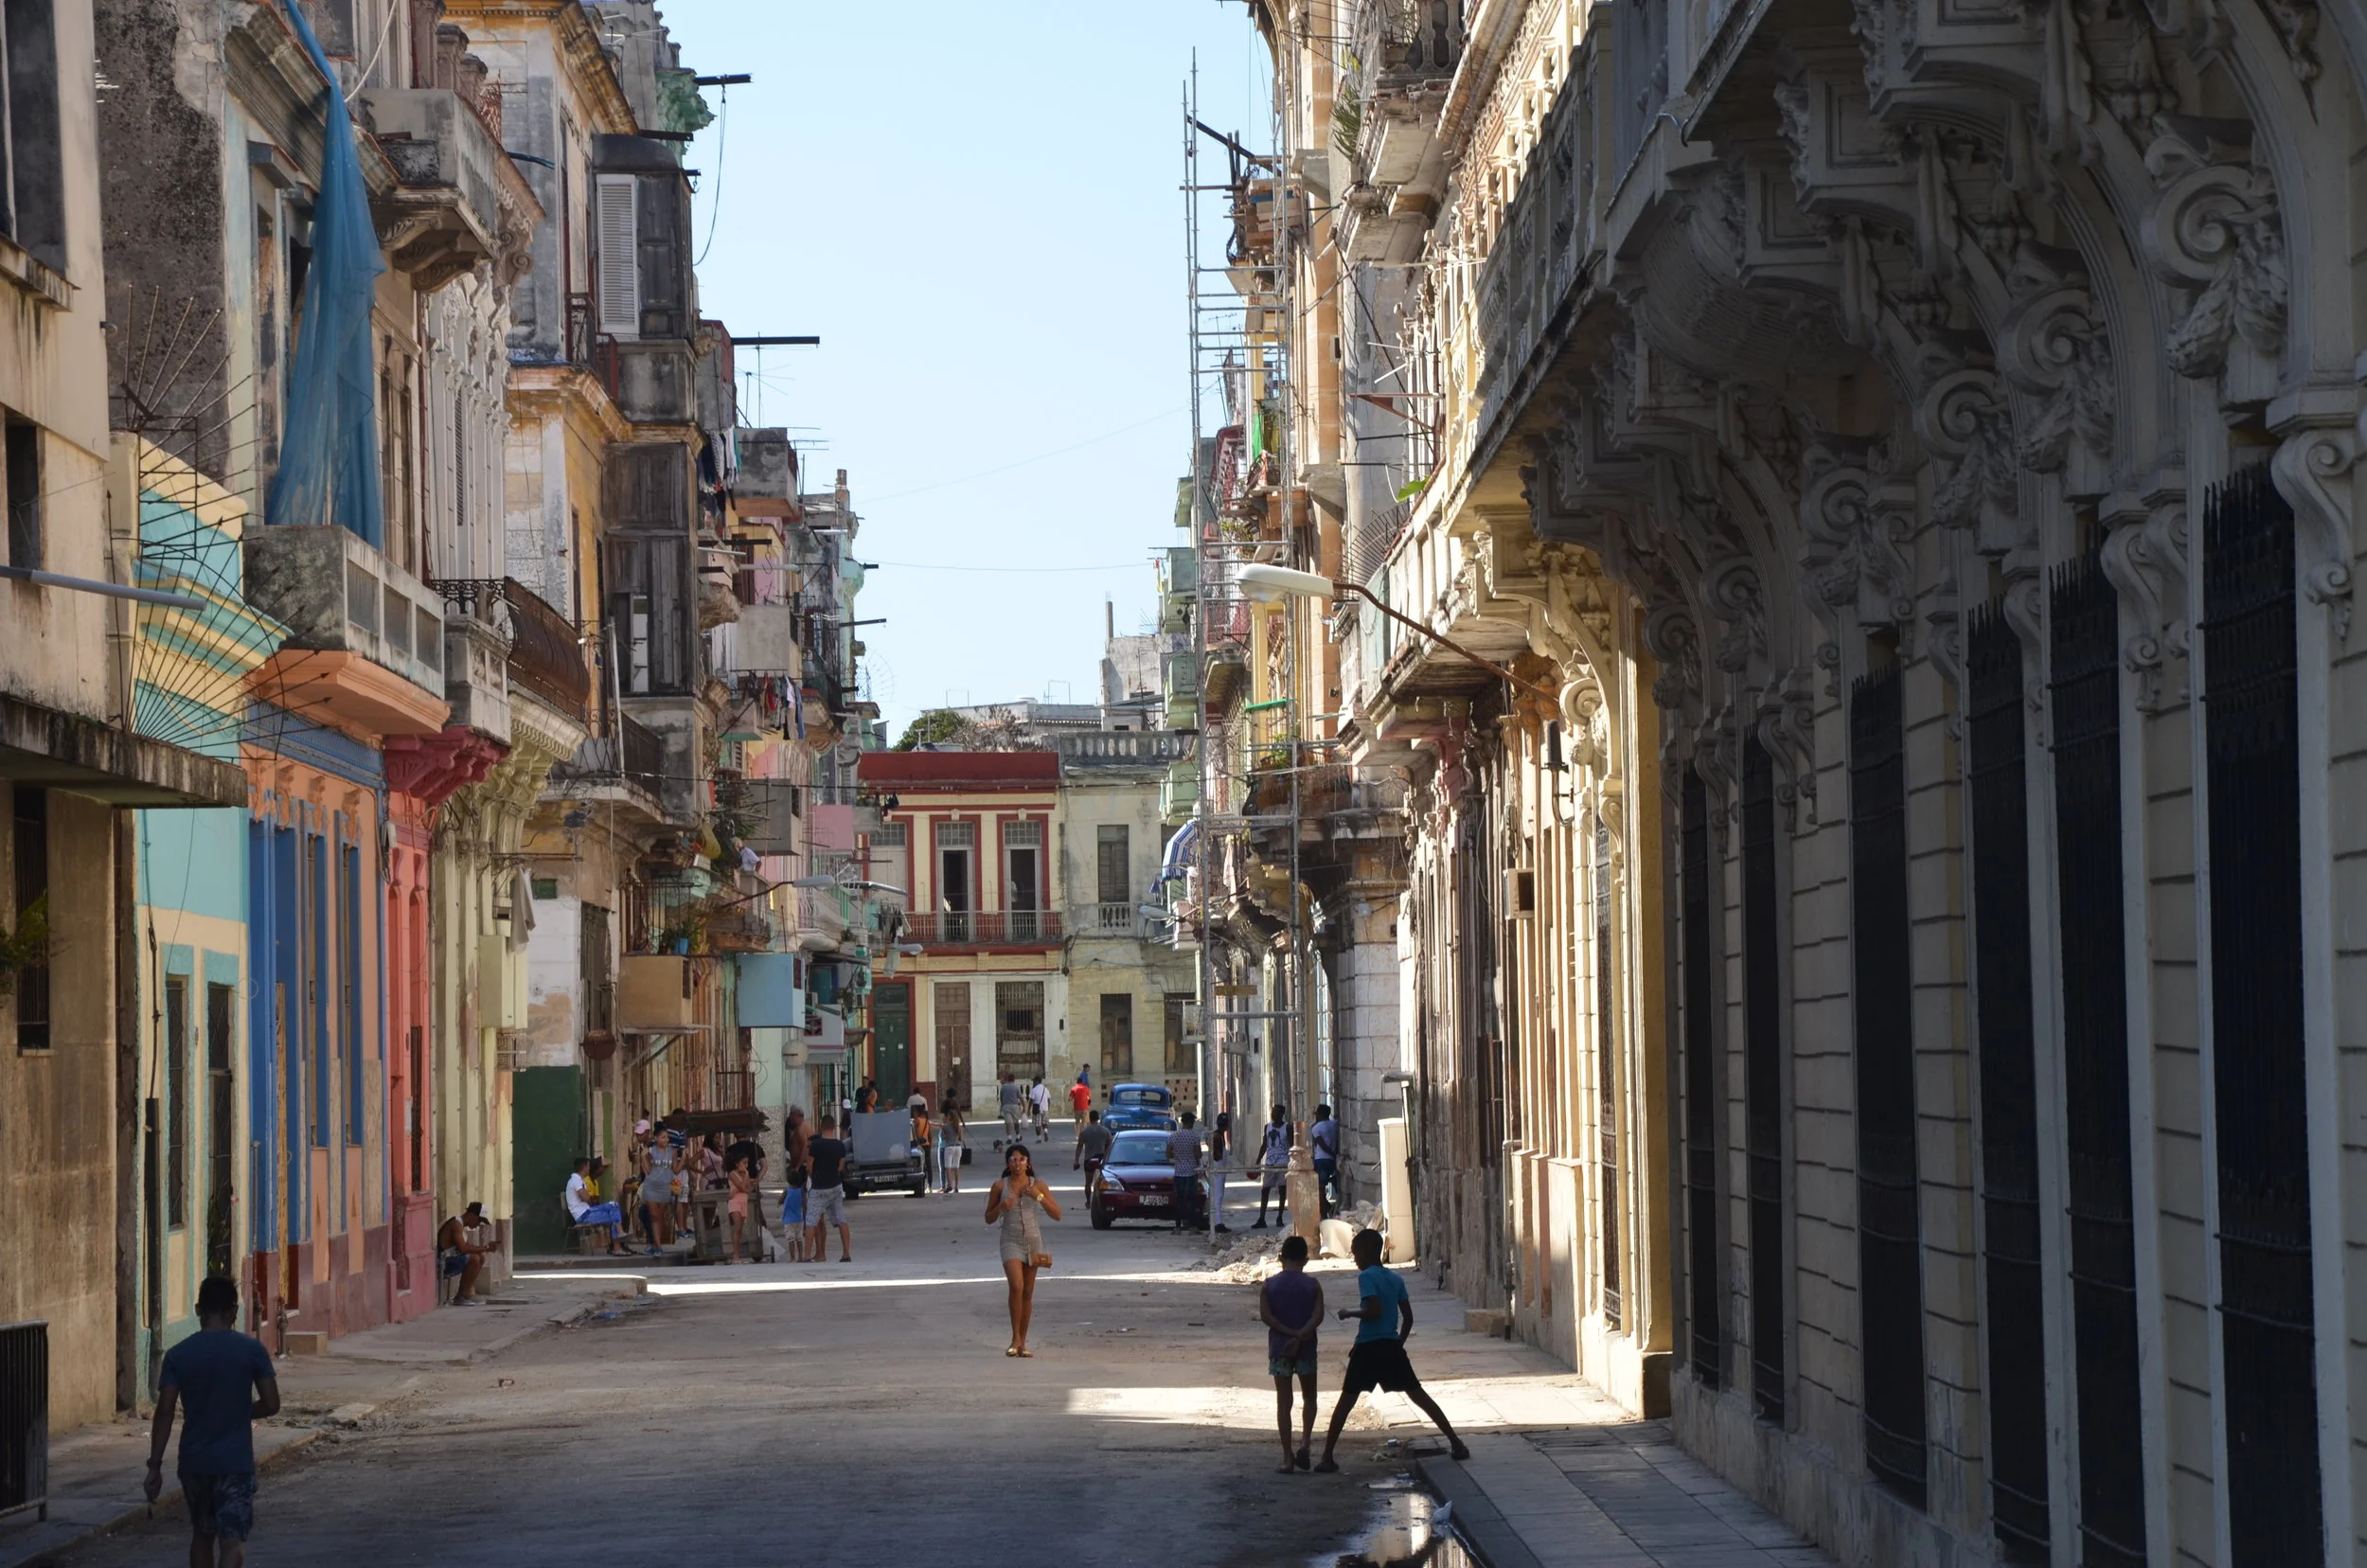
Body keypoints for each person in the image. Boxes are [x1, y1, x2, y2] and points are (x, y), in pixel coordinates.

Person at [145, 1275, 280, 1568]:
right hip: (235, 1464)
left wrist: (154, 1466)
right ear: (233, 1312)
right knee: (233, 1542)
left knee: (202, 1535)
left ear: (198, 1309)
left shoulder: (178, 1355)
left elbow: (165, 1411)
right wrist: (241, 1411)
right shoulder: (251, 1350)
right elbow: (271, 1404)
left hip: (195, 1463)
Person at [1314, 1230, 1469, 1471]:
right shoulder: (1396, 1279)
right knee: (1419, 1396)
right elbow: (1407, 1317)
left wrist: (1350, 1313)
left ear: (1366, 1253)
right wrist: (1399, 1343)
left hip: (1368, 1348)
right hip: (1390, 1347)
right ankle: (1456, 1443)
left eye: (1355, 1255)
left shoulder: (1366, 1277)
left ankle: (1326, 1457)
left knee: (1346, 1402)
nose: (1355, 1260)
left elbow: (1373, 1310)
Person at [984, 1144, 1062, 1357]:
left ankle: (1023, 1342)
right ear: (1008, 1164)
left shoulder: (1039, 1186)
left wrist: (1038, 1196)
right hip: (1010, 1241)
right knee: (1016, 1286)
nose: (1017, 1163)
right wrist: (1002, 1207)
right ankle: (1014, 1338)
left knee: (1028, 1292)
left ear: (1028, 1163)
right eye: (1012, 1160)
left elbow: (1057, 1214)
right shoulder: (1000, 1186)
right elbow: (988, 1218)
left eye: (1021, 1159)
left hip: (1033, 1243)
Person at [1258, 1235, 1326, 1472]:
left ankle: (1287, 1458)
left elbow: (1267, 1318)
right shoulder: (1313, 1286)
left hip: (1279, 1349)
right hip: (1306, 1348)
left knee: (1284, 1401)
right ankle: (1305, 1443)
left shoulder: (1269, 1285)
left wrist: (1288, 1334)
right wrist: (1300, 1336)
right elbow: (1317, 1317)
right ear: (1306, 1260)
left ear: (1280, 1258)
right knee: (1309, 1396)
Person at [807, 1115, 853, 1262]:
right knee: (840, 1219)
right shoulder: (840, 1146)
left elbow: (809, 1167)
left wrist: (814, 1176)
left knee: (811, 1221)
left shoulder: (815, 1146)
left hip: (819, 1187)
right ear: (834, 1127)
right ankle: (846, 1253)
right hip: (835, 1186)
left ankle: (807, 1256)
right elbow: (841, 1166)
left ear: (821, 1126)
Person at [564, 1157, 631, 1255]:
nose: (589, 1168)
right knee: (614, 1214)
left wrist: (587, 1197)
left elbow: (586, 1197)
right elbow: (587, 1198)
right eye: (588, 1166)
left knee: (614, 1205)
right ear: (584, 1167)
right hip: (583, 1215)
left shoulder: (579, 1180)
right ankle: (617, 1246)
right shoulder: (576, 1180)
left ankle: (618, 1242)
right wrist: (587, 1197)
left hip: (588, 1211)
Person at [434, 1202, 495, 1303]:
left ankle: (463, 1293)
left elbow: (469, 1247)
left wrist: (485, 1248)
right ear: (471, 1215)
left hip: (452, 1259)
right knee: (474, 1258)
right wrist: (486, 1247)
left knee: (480, 1257)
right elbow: (464, 1249)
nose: (479, 1224)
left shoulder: (461, 1226)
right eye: (479, 1220)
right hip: (443, 1263)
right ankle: (464, 1295)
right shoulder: (456, 1225)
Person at [1254, 1106, 1292, 1229]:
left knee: (1282, 1190)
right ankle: (1261, 1218)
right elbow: (1264, 1144)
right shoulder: (1268, 1127)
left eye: (1276, 1111)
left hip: (1283, 1162)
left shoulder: (1287, 1127)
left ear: (1282, 1113)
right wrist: (1258, 1160)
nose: (1273, 1113)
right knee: (1265, 1190)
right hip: (1270, 1162)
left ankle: (1280, 1217)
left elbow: (1291, 1145)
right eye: (1272, 1111)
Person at [1166, 1111, 1204, 1232]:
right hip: (1191, 1172)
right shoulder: (1194, 1136)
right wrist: (1192, 1155)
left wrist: (1177, 1155)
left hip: (1178, 1172)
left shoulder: (1173, 1136)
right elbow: (1198, 1154)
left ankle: (1177, 1226)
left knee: (1179, 1199)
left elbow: (1168, 1154)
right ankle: (1192, 1226)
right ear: (1191, 1122)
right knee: (1191, 1199)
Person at [1310, 1104, 1342, 1218]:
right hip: (1332, 1161)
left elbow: (1321, 1144)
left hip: (1321, 1160)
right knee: (1329, 1183)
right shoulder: (1334, 1124)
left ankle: (1325, 1211)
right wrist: (1334, 1155)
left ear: (1319, 1114)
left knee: (1319, 1188)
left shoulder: (1316, 1128)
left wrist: (1331, 1153)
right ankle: (1328, 1207)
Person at [778, 1149, 810, 1261]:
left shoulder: (786, 1190)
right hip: (799, 1218)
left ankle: (792, 1257)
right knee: (799, 1238)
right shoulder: (801, 1191)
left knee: (791, 1239)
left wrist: (781, 1201)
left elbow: (780, 1200)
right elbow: (804, 1205)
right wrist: (805, 1220)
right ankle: (801, 1256)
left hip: (788, 1219)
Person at [725, 1154, 756, 1262]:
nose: (746, 1166)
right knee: (737, 1228)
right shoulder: (733, 1174)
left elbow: (747, 1190)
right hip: (735, 1202)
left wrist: (744, 1185)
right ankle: (735, 1255)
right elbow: (743, 1187)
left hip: (743, 1201)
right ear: (737, 1164)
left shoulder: (746, 1175)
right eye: (744, 1163)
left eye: (747, 1163)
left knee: (740, 1229)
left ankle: (737, 1254)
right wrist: (746, 1175)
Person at [1074, 1108, 1112, 1180]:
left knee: (1088, 1182)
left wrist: (1076, 1160)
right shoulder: (1105, 1131)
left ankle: (1088, 1188)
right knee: (1100, 1181)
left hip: (1089, 1159)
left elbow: (1079, 1146)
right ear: (1098, 1119)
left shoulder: (1084, 1132)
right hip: (1101, 1159)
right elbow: (1111, 1145)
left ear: (1090, 1119)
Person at [939, 1097, 968, 1194]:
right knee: (956, 1167)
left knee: (948, 1167)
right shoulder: (958, 1126)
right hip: (958, 1147)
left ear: (949, 1117)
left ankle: (949, 1185)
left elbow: (943, 1137)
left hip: (949, 1147)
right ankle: (956, 1187)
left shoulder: (945, 1126)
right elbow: (961, 1139)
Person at [998, 1070, 1025, 1143]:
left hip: (1006, 1106)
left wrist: (1003, 1105)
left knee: (1008, 1122)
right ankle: (1018, 1136)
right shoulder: (1016, 1087)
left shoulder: (1003, 1087)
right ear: (1013, 1079)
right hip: (1015, 1106)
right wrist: (1024, 1107)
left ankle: (1009, 1138)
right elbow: (1021, 1098)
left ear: (1008, 1079)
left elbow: (1001, 1098)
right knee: (1016, 1122)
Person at [1028, 1075, 1051, 1139]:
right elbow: (1049, 1099)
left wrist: (1028, 1110)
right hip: (1045, 1108)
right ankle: (1046, 1131)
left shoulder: (1034, 1090)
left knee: (1037, 1124)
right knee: (1045, 1122)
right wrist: (1048, 1108)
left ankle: (1039, 1138)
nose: (1033, 1083)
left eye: (1034, 1081)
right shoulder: (1046, 1089)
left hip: (1037, 1109)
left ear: (1036, 1081)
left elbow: (1031, 1100)